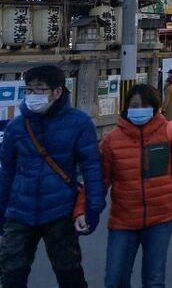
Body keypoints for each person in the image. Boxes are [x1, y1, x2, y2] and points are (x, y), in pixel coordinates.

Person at [0, 65, 105, 288]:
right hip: (19, 211)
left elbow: (92, 168)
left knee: (69, 273)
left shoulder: (79, 123)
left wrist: (92, 208)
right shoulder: (16, 127)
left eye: (39, 89)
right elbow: (6, 170)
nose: (32, 95)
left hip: (60, 212)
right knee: (11, 274)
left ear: (57, 92)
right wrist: (2, 210)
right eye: (28, 89)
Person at [100, 84, 172, 288]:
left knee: (154, 280)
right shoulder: (111, 141)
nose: (139, 109)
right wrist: (84, 209)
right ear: (126, 107)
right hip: (123, 220)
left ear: (155, 107)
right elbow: (100, 179)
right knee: (114, 280)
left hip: (160, 218)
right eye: (135, 105)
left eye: (145, 105)